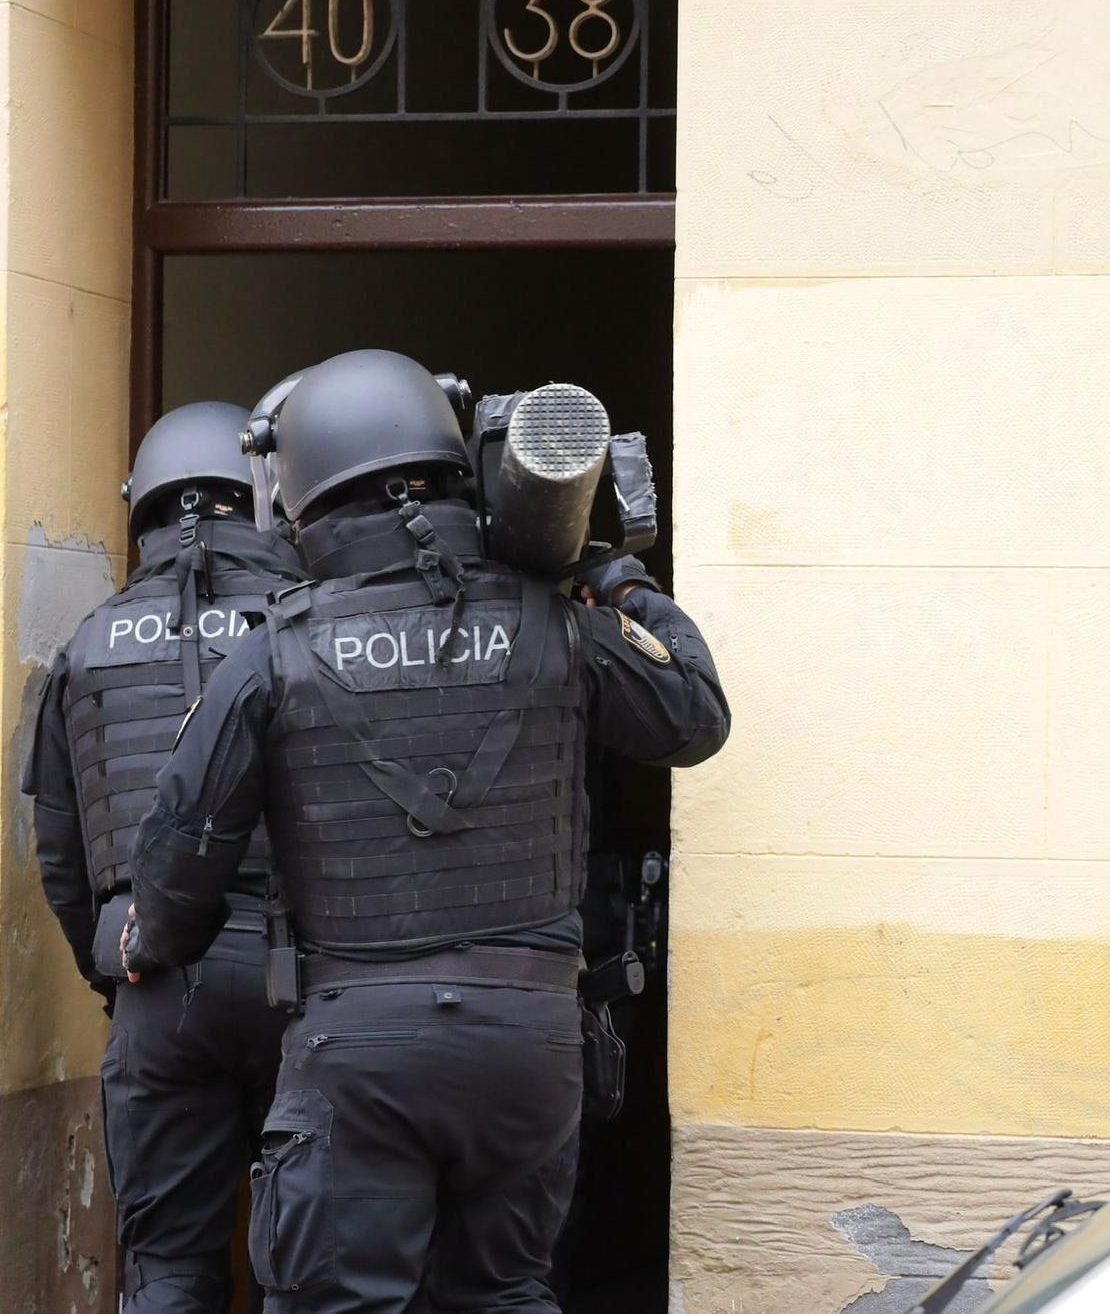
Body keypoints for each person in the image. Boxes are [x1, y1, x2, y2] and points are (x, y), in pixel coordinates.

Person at [120, 350, 731, 1313]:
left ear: (299, 495)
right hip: (529, 1046)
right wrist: (609, 574)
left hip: (356, 1055)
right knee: (504, 1294)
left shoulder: (274, 652)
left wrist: (151, 945)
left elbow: (183, 846)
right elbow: (694, 716)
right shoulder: (556, 621)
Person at [23, 401, 306, 1312]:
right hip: (302, 975)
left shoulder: (88, 644)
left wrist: (118, 967)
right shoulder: (308, 625)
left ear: (139, 508)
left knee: (169, 1269)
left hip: (154, 976)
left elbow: (63, 857)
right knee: (306, 1264)